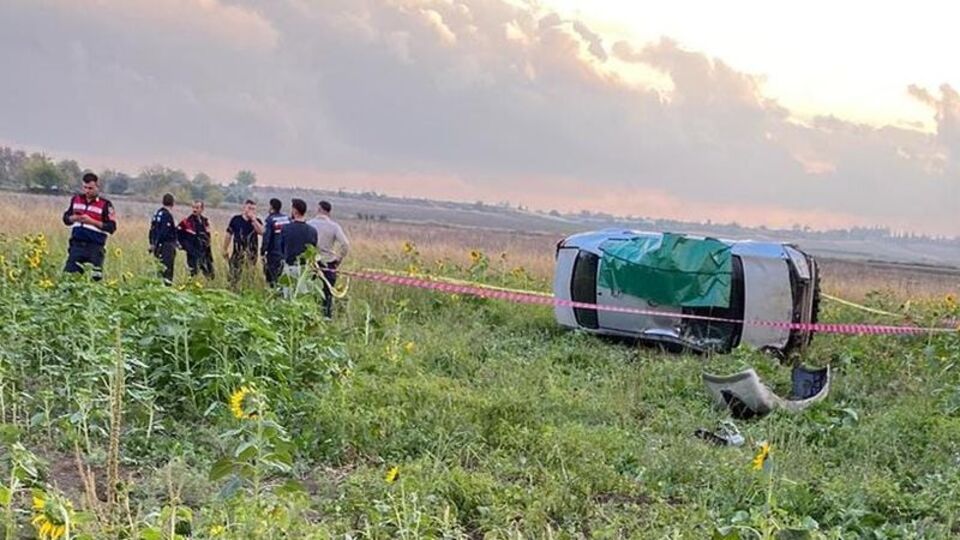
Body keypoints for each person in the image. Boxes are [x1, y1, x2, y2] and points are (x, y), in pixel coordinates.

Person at [62, 172, 117, 280]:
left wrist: (92, 222)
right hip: (76, 245)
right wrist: (73, 218)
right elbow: (66, 218)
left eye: (90, 188)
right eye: (85, 188)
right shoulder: (76, 199)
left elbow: (111, 227)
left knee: (95, 279)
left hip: (95, 247)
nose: (87, 191)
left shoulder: (105, 204)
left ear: (98, 187)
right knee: (68, 278)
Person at [307, 200, 349, 318]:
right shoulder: (334, 227)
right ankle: (326, 319)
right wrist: (338, 259)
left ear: (319, 209)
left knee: (311, 293)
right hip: (329, 264)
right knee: (328, 296)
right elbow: (345, 244)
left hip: (312, 264)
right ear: (329, 212)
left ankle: (311, 318)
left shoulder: (310, 224)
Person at [279, 198, 318, 297]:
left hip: (290, 268)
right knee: (302, 297)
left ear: (294, 210)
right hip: (305, 270)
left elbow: (281, 247)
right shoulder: (312, 231)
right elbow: (313, 250)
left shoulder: (286, 228)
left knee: (288, 296)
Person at [223, 199, 263, 286]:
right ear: (244, 208)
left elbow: (262, 232)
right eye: (249, 208)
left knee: (249, 278)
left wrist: (253, 220)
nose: (251, 211)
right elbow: (228, 234)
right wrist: (225, 249)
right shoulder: (235, 219)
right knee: (233, 277)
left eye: (253, 209)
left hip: (251, 254)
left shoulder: (257, 221)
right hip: (237, 253)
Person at [177, 200, 215, 278]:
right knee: (193, 274)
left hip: (205, 252)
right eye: (193, 207)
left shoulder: (205, 221)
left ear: (202, 209)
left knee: (210, 275)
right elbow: (177, 233)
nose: (194, 210)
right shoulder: (186, 222)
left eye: (197, 208)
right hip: (193, 252)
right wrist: (184, 246)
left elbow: (208, 237)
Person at [149, 193, 178, 284]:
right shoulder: (167, 215)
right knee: (167, 271)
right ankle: (167, 288)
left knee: (159, 269)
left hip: (157, 246)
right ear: (173, 203)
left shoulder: (157, 214)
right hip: (166, 246)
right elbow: (164, 232)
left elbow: (152, 230)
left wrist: (152, 243)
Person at [261, 198, 289, 287]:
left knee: (272, 279)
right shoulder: (287, 219)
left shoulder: (270, 220)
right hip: (285, 253)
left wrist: (262, 251)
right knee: (283, 278)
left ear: (271, 207)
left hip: (273, 254)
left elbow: (266, 238)